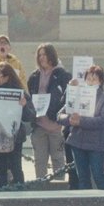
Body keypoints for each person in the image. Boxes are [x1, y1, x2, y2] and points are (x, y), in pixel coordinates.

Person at [0, 63, 36, 206]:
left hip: (15, 136)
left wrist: (23, 106)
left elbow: (30, 116)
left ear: (7, 77)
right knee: (1, 171)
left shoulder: (20, 92)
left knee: (15, 169)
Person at [58, 65, 104, 190]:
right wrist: (69, 120)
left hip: (96, 144)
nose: (91, 82)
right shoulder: (78, 94)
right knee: (82, 178)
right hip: (77, 142)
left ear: (101, 81)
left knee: (98, 175)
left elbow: (103, 121)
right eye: (89, 79)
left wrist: (80, 122)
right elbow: (60, 115)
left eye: (94, 79)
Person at [26, 43, 71, 180]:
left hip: (56, 125)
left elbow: (67, 99)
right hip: (38, 124)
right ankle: (40, 190)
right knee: (40, 161)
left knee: (58, 160)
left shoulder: (62, 75)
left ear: (51, 55)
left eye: (44, 54)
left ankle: (59, 190)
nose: (42, 58)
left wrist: (59, 116)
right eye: (39, 55)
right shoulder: (34, 76)